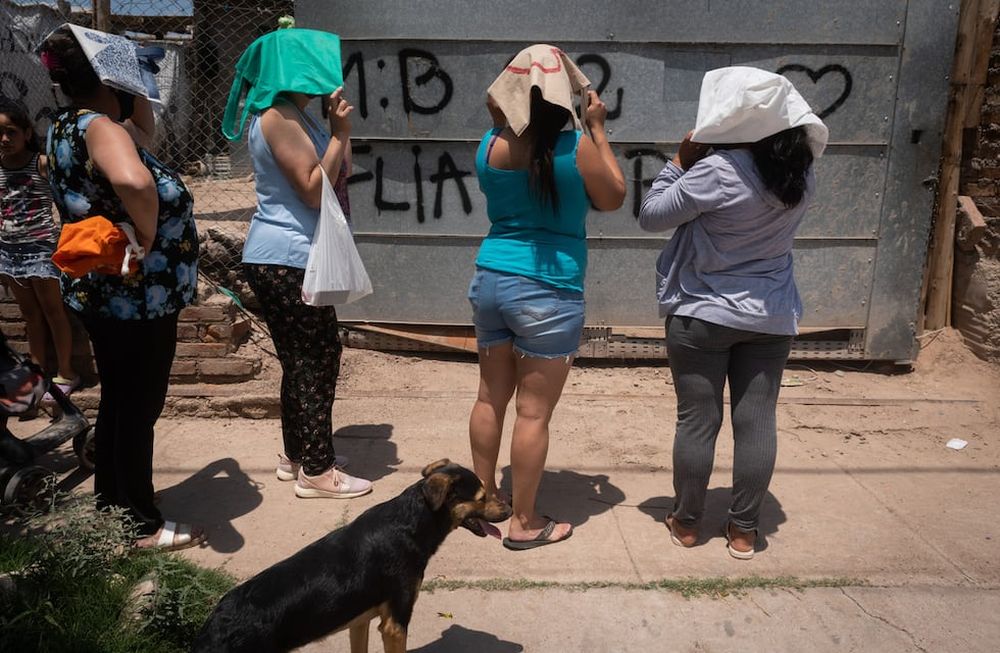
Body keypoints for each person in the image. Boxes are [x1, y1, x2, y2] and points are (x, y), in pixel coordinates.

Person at [638, 66, 828, 560]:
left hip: (701, 315)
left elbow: (651, 216)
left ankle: (686, 523)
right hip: (770, 317)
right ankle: (744, 531)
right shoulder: (800, 175)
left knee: (697, 422)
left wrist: (678, 163)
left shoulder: (717, 171)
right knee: (758, 422)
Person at [39, 26, 203, 550]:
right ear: (109, 77)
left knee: (119, 401)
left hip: (102, 289)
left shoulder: (69, 124)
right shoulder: (102, 129)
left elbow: (144, 138)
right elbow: (135, 181)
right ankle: (137, 524)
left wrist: (136, 93)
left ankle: (113, 506)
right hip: (136, 296)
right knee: (137, 404)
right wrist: (149, 232)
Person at [467, 45, 625, 550]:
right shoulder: (575, 148)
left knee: (490, 396)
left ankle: (482, 501)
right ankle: (524, 523)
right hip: (549, 292)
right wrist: (597, 128)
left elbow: (511, 126)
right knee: (533, 413)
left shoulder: (489, 145)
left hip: (491, 280)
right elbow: (615, 195)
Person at [225, 27, 372, 499]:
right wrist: (342, 133)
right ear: (295, 70)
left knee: (302, 358)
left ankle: (299, 454)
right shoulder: (276, 117)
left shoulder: (294, 114)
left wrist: (336, 132)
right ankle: (317, 471)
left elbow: (335, 167)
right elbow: (314, 188)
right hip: (287, 256)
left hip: (292, 254)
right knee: (317, 357)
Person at [0, 100, 79, 397]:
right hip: (9, 251)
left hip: (41, 248)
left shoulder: (41, 163)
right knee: (29, 314)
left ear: (27, 133)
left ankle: (66, 372)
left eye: (11, 132)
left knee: (53, 312)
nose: (5, 139)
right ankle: (37, 374)